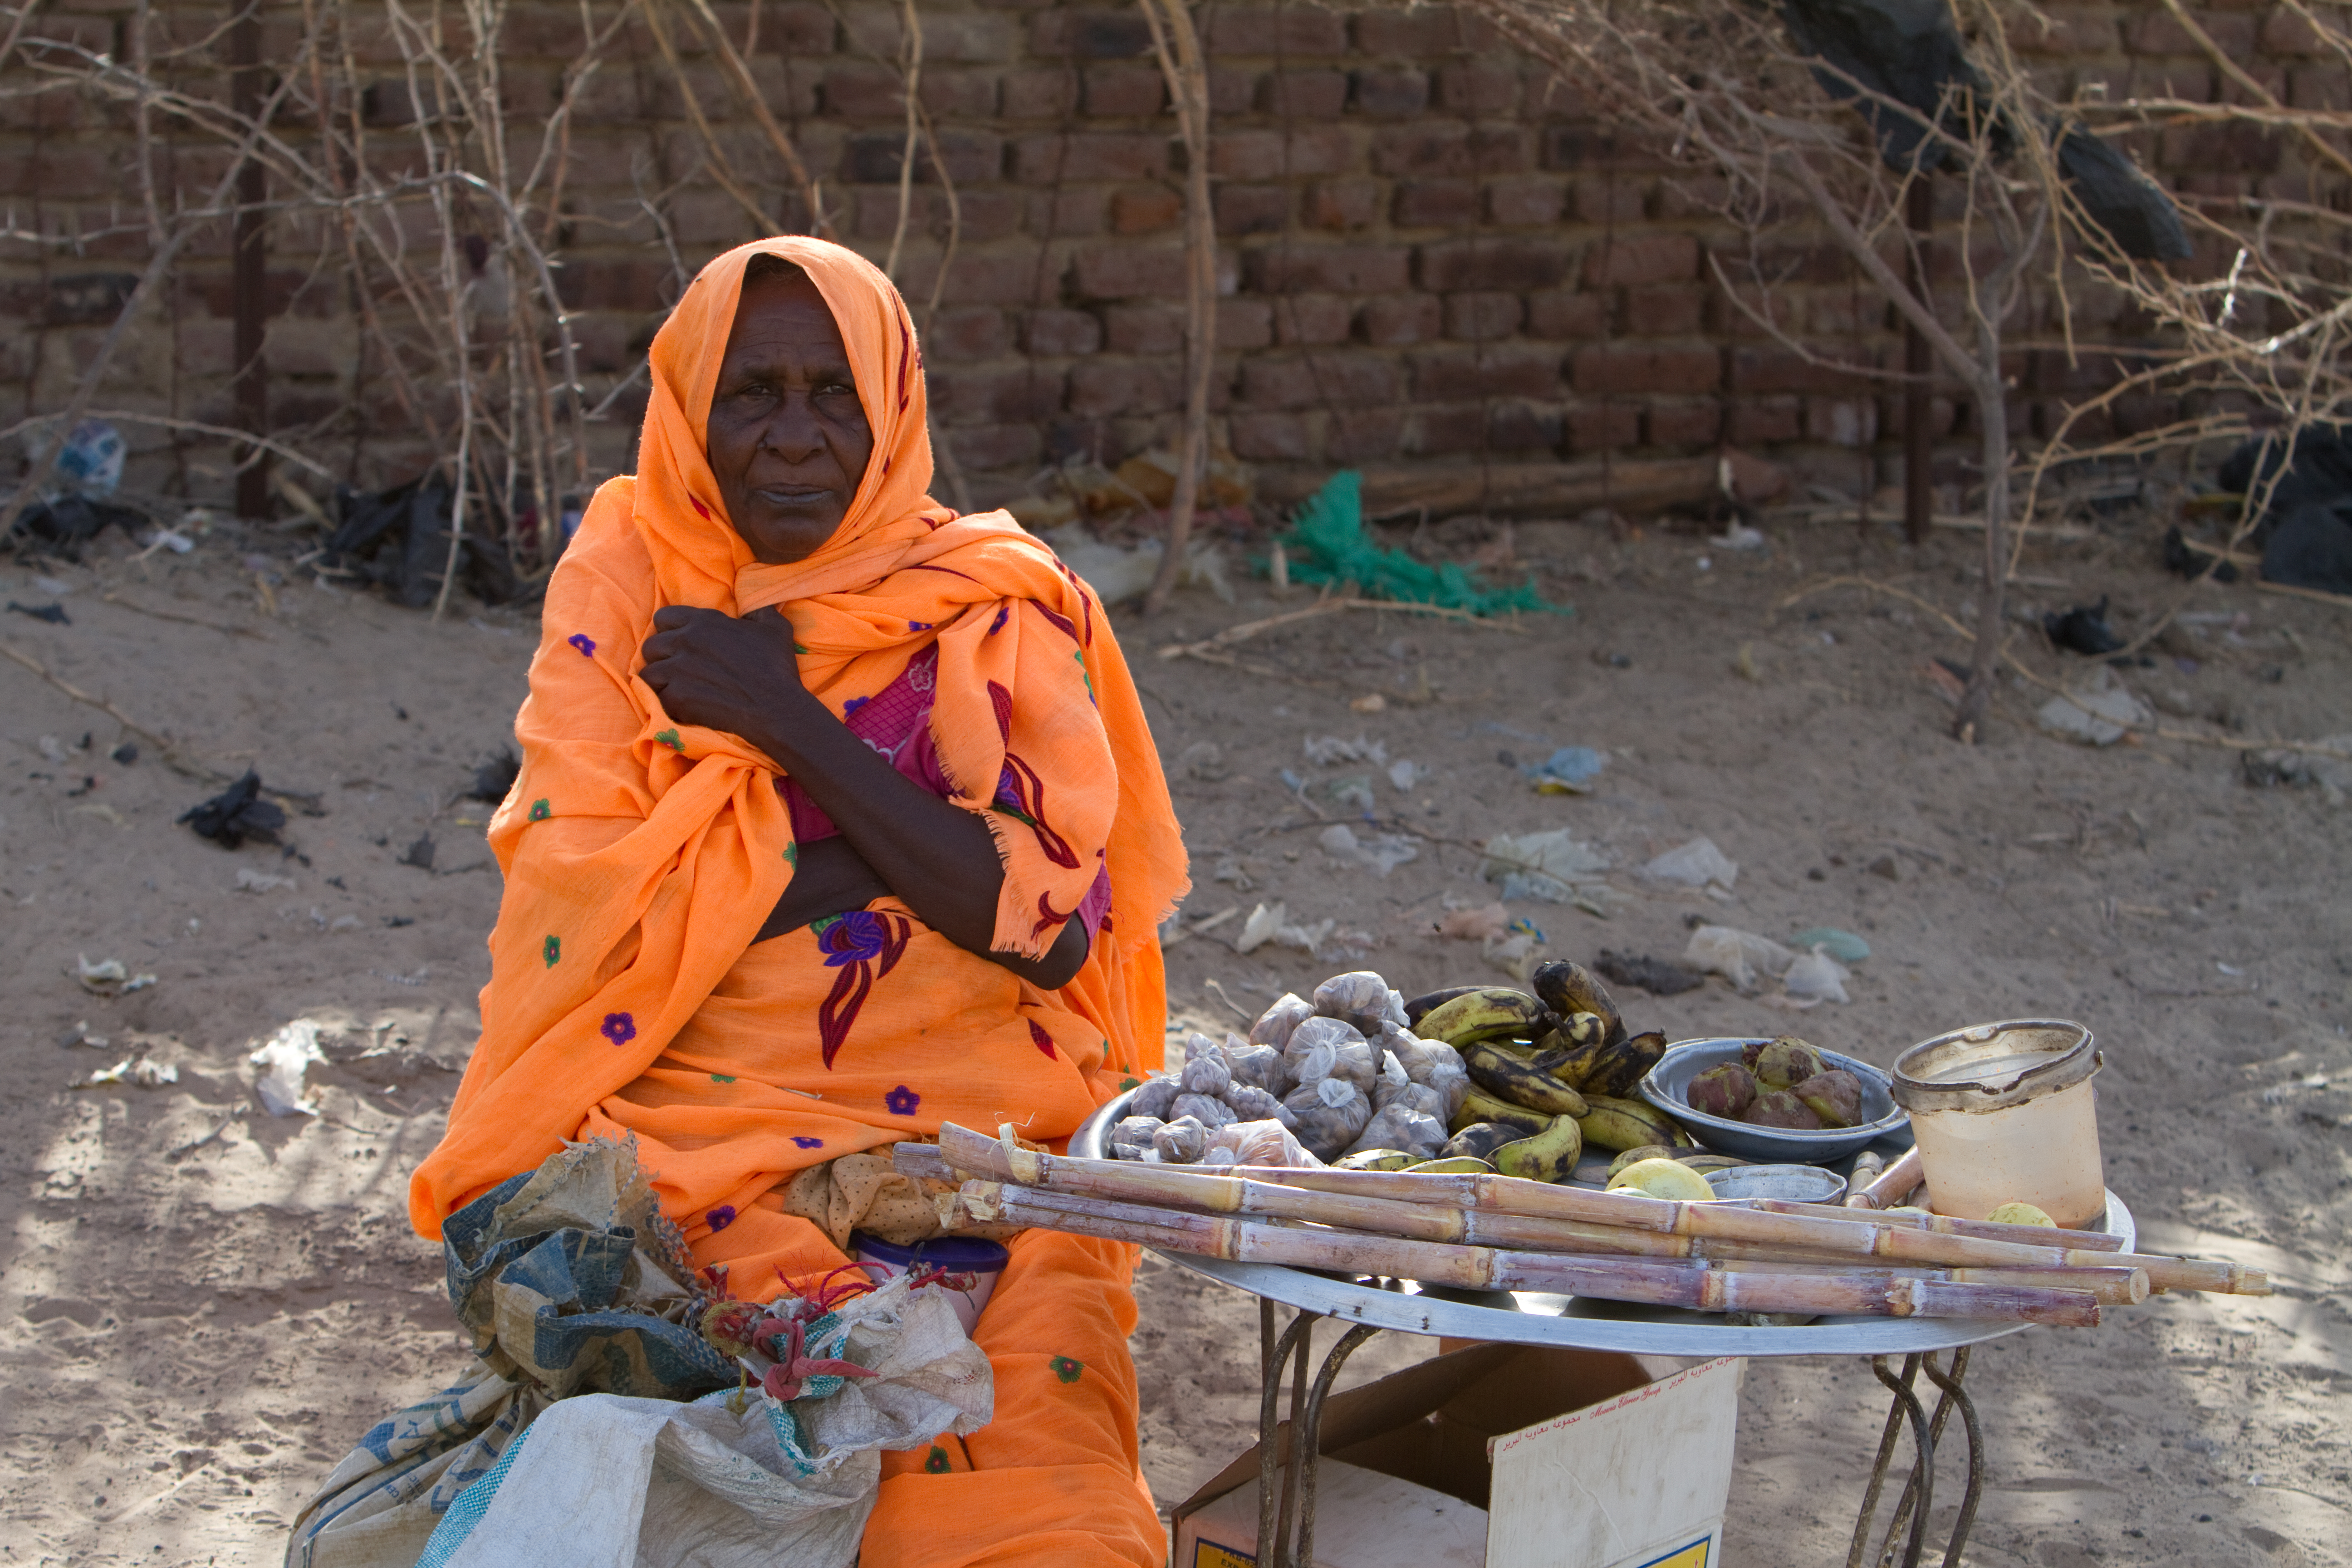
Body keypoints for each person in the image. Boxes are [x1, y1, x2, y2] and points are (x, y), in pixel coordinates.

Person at [407, 236, 1187, 1567]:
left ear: (893, 410)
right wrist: (932, 856)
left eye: (836, 393)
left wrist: (778, 724)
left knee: (1061, 1509)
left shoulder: (996, 602)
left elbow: (1050, 933)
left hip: (991, 1145)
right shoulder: (632, 580)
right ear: (689, 408)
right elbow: (594, 901)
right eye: (752, 392)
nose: (791, 437)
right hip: (698, 1134)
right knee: (744, 1442)